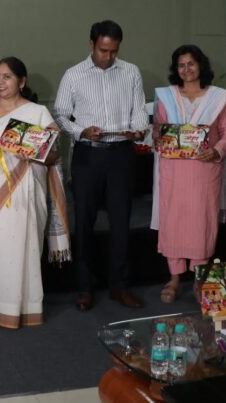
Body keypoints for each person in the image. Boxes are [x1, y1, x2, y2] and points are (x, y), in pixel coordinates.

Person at [0, 57, 71, 329]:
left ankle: (25, 308)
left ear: (22, 81)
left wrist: (31, 149)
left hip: (26, 191)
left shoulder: (38, 113)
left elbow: (53, 156)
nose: (0, 82)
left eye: (7, 77)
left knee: (23, 246)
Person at [54, 20, 149, 311]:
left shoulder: (130, 71)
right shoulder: (74, 75)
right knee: (84, 222)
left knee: (121, 223)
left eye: (114, 51)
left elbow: (140, 110)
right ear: (91, 44)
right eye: (103, 50)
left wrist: (138, 129)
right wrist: (81, 131)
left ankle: (119, 286)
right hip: (88, 155)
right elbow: (60, 114)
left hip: (121, 154)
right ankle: (84, 288)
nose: (108, 57)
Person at [151, 45, 226, 303]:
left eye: (191, 63)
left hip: (204, 170)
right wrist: (159, 138)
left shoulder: (217, 98)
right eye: (181, 65)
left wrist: (216, 151)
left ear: (201, 65)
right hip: (174, 171)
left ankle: (200, 280)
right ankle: (174, 279)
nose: (186, 69)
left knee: (202, 223)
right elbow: (158, 129)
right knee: (174, 222)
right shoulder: (166, 97)